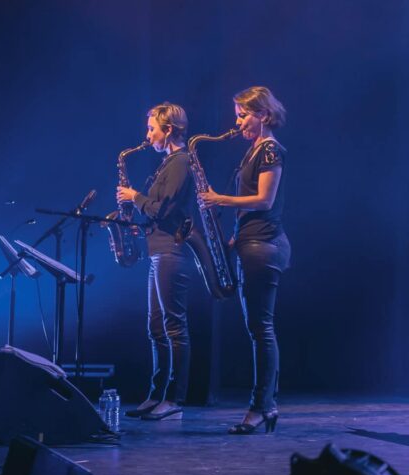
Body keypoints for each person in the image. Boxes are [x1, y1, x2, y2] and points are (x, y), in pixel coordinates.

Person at [199, 86, 289, 434]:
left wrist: (220, 199)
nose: (236, 123)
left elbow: (265, 200)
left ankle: (262, 406)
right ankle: (265, 404)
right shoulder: (254, 150)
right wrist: (236, 235)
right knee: (258, 328)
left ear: (263, 115)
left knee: (261, 329)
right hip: (251, 242)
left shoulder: (270, 150)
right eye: (237, 115)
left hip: (263, 246)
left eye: (243, 115)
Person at [118, 103, 194, 421]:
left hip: (171, 251)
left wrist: (134, 197)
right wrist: (140, 220)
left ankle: (174, 398)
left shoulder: (181, 161)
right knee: (155, 327)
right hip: (157, 249)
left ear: (169, 129)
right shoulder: (167, 163)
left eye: (152, 129)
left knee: (173, 326)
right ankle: (156, 394)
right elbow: (157, 212)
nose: (147, 135)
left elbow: (163, 209)